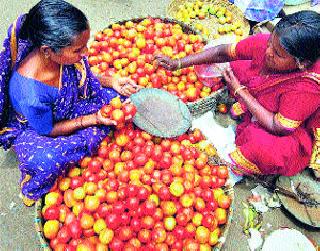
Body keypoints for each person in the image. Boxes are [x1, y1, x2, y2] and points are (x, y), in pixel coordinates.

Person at [0, 0, 140, 206]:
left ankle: (95, 131)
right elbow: (47, 129)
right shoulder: (30, 93)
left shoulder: (62, 57)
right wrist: (92, 119)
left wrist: (112, 81)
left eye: (85, 46)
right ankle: (32, 187)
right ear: (48, 51)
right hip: (41, 127)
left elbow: (84, 76)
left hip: (71, 105)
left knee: (123, 101)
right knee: (45, 161)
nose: (86, 53)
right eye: (78, 50)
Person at [155, 11, 320, 178]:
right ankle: (247, 106)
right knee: (235, 65)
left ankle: (245, 147)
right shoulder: (269, 45)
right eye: (270, 42)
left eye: (278, 54)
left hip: (289, 129)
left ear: (302, 64)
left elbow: (279, 127)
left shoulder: (307, 87)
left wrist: (241, 91)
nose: (268, 51)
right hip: (262, 97)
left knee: (263, 148)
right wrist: (178, 63)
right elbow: (222, 52)